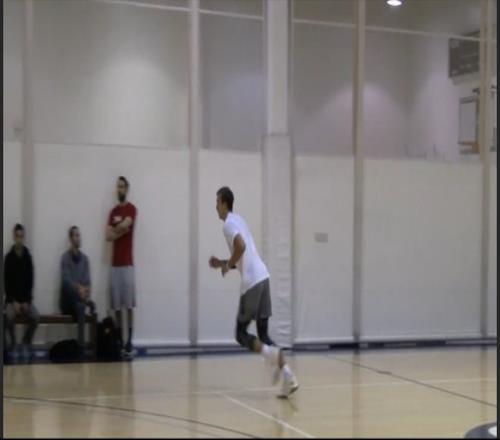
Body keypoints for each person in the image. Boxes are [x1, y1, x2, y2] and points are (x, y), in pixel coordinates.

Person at [209, 187, 299, 398]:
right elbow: (242, 256)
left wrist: (226, 265)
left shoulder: (228, 225)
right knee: (263, 335)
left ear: (225, 203)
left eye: (217, 202)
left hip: (251, 284)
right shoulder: (239, 220)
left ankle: (269, 355)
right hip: (263, 278)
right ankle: (289, 377)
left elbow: (240, 247)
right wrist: (222, 263)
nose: (215, 206)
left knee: (240, 334)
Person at [106, 176, 137, 359]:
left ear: (127, 189)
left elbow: (127, 224)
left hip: (127, 265)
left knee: (129, 305)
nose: (120, 189)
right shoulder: (113, 212)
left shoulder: (131, 209)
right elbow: (108, 236)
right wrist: (122, 229)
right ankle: (119, 339)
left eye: (123, 186)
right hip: (114, 265)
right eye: (118, 186)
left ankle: (129, 341)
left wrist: (116, 229)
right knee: (117, 306)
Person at [4, 224, 40, 362]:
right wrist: (13, 302)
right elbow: (7, 283)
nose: (20, 239)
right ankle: (13, 343)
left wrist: (27, 301)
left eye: (22, 236)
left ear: (24, 237)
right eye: (17, 236)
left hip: (25, 300)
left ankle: (26, 342)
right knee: (9, 317)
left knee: (35, 317)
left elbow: (30, 281)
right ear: (14, 237)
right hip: (12, 300)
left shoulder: (28, 257)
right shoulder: (8, 258)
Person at [60, 226, 96, 356]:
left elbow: (88, 283)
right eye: (75, 235)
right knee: (70, 289)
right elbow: (66, 280)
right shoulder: (65, 258)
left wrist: (85, 290)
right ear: (70, 238)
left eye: (79, 235)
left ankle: (84, 346)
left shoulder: (85, 259)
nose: (78, 238)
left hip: (80, 300)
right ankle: (81, 347)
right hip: (67, 301)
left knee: (82, 305)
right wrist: (78, 289)